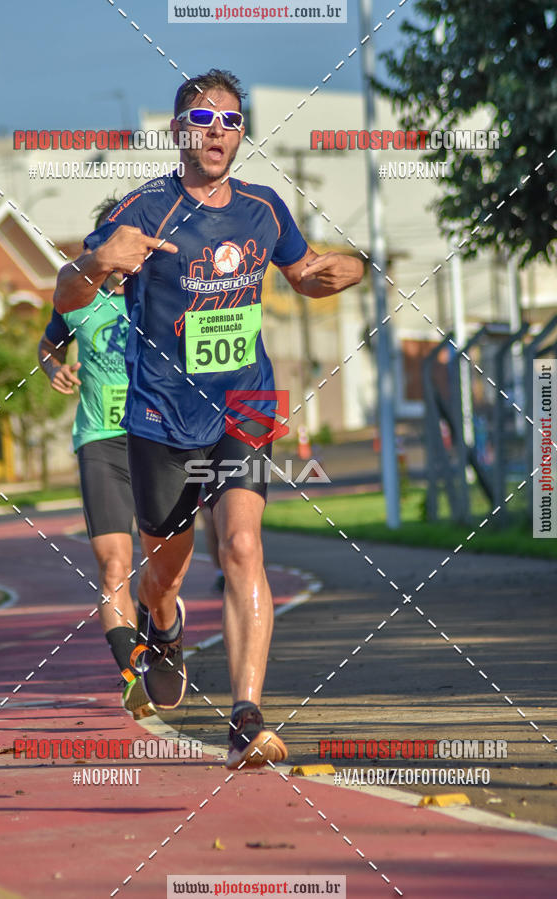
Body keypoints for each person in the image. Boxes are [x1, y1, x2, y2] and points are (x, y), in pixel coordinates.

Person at [54, 69, 364, 769]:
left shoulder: (264, 209)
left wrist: (347, 270)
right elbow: (69, 297)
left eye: (230, 119)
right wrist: (98, 259)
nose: (218, 130)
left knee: (244, 545)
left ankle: (246, 715)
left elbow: (305, 269)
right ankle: (162, 624)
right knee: (161, 573)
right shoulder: (141, 210)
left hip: (245, 402)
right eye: (203, 118)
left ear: (241, 134)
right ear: (177, 131)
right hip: (161, 415)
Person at [39, 197, 153, 720]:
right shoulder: (79, 298)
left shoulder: (163, 295)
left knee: (160, 575)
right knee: (115, 568)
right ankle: (132, 669)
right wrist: (54, 369)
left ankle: (162, 637)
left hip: (159, 439)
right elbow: (48, 346)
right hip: (100, 441)